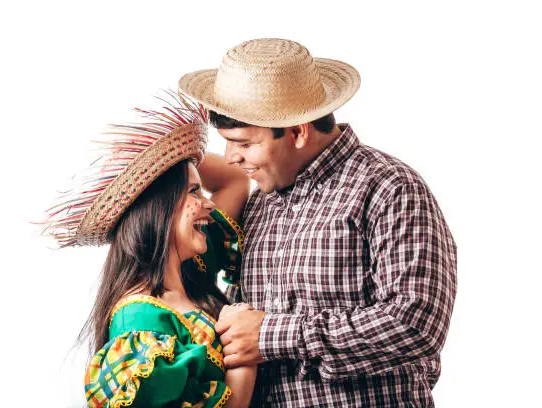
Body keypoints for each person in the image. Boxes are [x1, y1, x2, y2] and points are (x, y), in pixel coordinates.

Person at [178, 38, 458, 406]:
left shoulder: (389, 188)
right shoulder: (262, 201)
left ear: (298, 132)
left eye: (244, 143)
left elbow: (416, 324)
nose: (231, 158)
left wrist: (271, 336)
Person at [42, 93, 256, 407]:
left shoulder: (191, 270)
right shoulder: (140, 317)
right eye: (194, 191)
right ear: (160, 209)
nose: (208, 204)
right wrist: (243, 360)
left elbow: (235, 180)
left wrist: (170, 155)